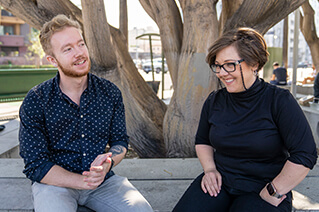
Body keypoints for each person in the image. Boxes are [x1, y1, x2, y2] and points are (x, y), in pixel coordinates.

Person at [173, 27, 317, 212]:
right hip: (220, 183)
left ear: (254, 63)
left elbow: (305, 154)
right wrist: (209, 170)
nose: (222, 72)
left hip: (264, 188)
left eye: (230, 64)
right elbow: (203, 141)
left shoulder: (279, 101)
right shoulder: (214, 100)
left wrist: (274, 191)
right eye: (218, 65)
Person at [19, 14, 153, 212]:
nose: (79, 53)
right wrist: (81, 181)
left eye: (81, 44)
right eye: (68, 49)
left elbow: (120, 142)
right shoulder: (36, 100)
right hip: (55, 185)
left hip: (102, 183)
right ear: (52, 60)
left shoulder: (110, 93)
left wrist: (107, 164)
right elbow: (35, 164)